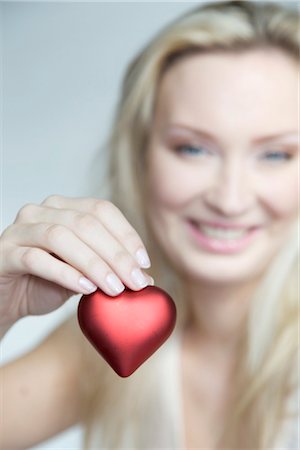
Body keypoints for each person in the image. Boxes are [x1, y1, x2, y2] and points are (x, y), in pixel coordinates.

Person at [0, 1, 299, 449]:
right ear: (142, 158)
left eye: (276, 154)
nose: (230, 199)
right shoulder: (97, 347)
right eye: (193, 149)